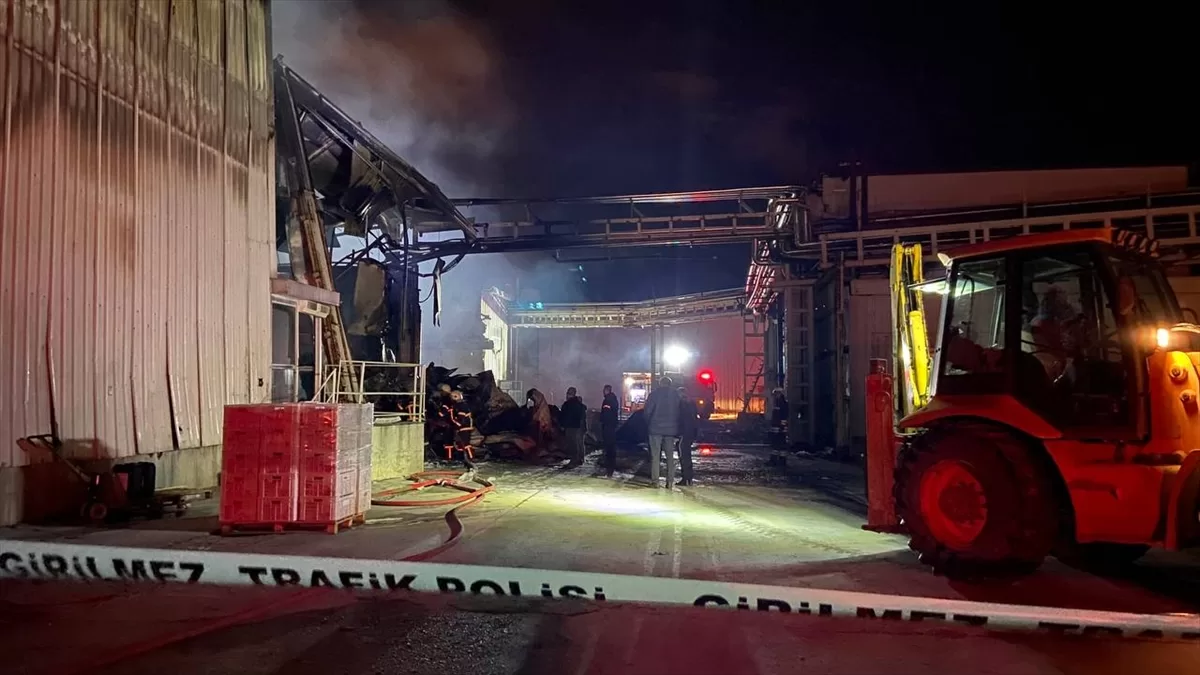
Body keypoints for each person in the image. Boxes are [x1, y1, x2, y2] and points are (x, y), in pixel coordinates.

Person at [643, 376, 681, 489]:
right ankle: (669, 482)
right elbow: (679, 412)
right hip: (671, 430)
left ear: (660, 383)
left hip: (655, 429)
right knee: (670, 457)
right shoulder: (676, 395)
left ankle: (655, 482)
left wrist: (649, 423)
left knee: (655, 456)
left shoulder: (654, 395)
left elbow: (647, 411)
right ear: (670, 384)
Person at [560, 387, 587, 468]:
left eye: (568, 393)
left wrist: (563, 425)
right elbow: (582, 417)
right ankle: (579, 459)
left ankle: (574, 460)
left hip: (571, 427)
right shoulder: (579, 405)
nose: (567, 395)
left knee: (572, 444)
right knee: (579, 444)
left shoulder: (567, 405)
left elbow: (564, 416)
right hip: (578, 427)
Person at [448, 390, 476, 470]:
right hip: (463, 427)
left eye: (455, 396)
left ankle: (470, 459)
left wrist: (457, 426)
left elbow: (461, 419)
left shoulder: (461, 406)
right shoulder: (459, 405)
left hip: (464, 427)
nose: (454, 399)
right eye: (452, 397)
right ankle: (465, 459)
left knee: (465, 444)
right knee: (461, 444)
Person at [677, 387, 698, 486]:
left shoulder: (682, 405)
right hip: (691, 432)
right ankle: (689, 478)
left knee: (683, 456)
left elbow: (680, 419)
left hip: (684, 433)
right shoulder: (692, 404)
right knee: (687, 455)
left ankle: (685, 478)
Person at [600, 384, 620, 477]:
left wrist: (603, 421)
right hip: (611, 425)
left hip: (608, 426)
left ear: (607, 390)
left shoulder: (608, 400)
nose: (603, 392)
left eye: (604, 390)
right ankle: (610, 467)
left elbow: (606, 414)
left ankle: (609, 468)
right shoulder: (613, 399)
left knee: (609, 447)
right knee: (611, 446)